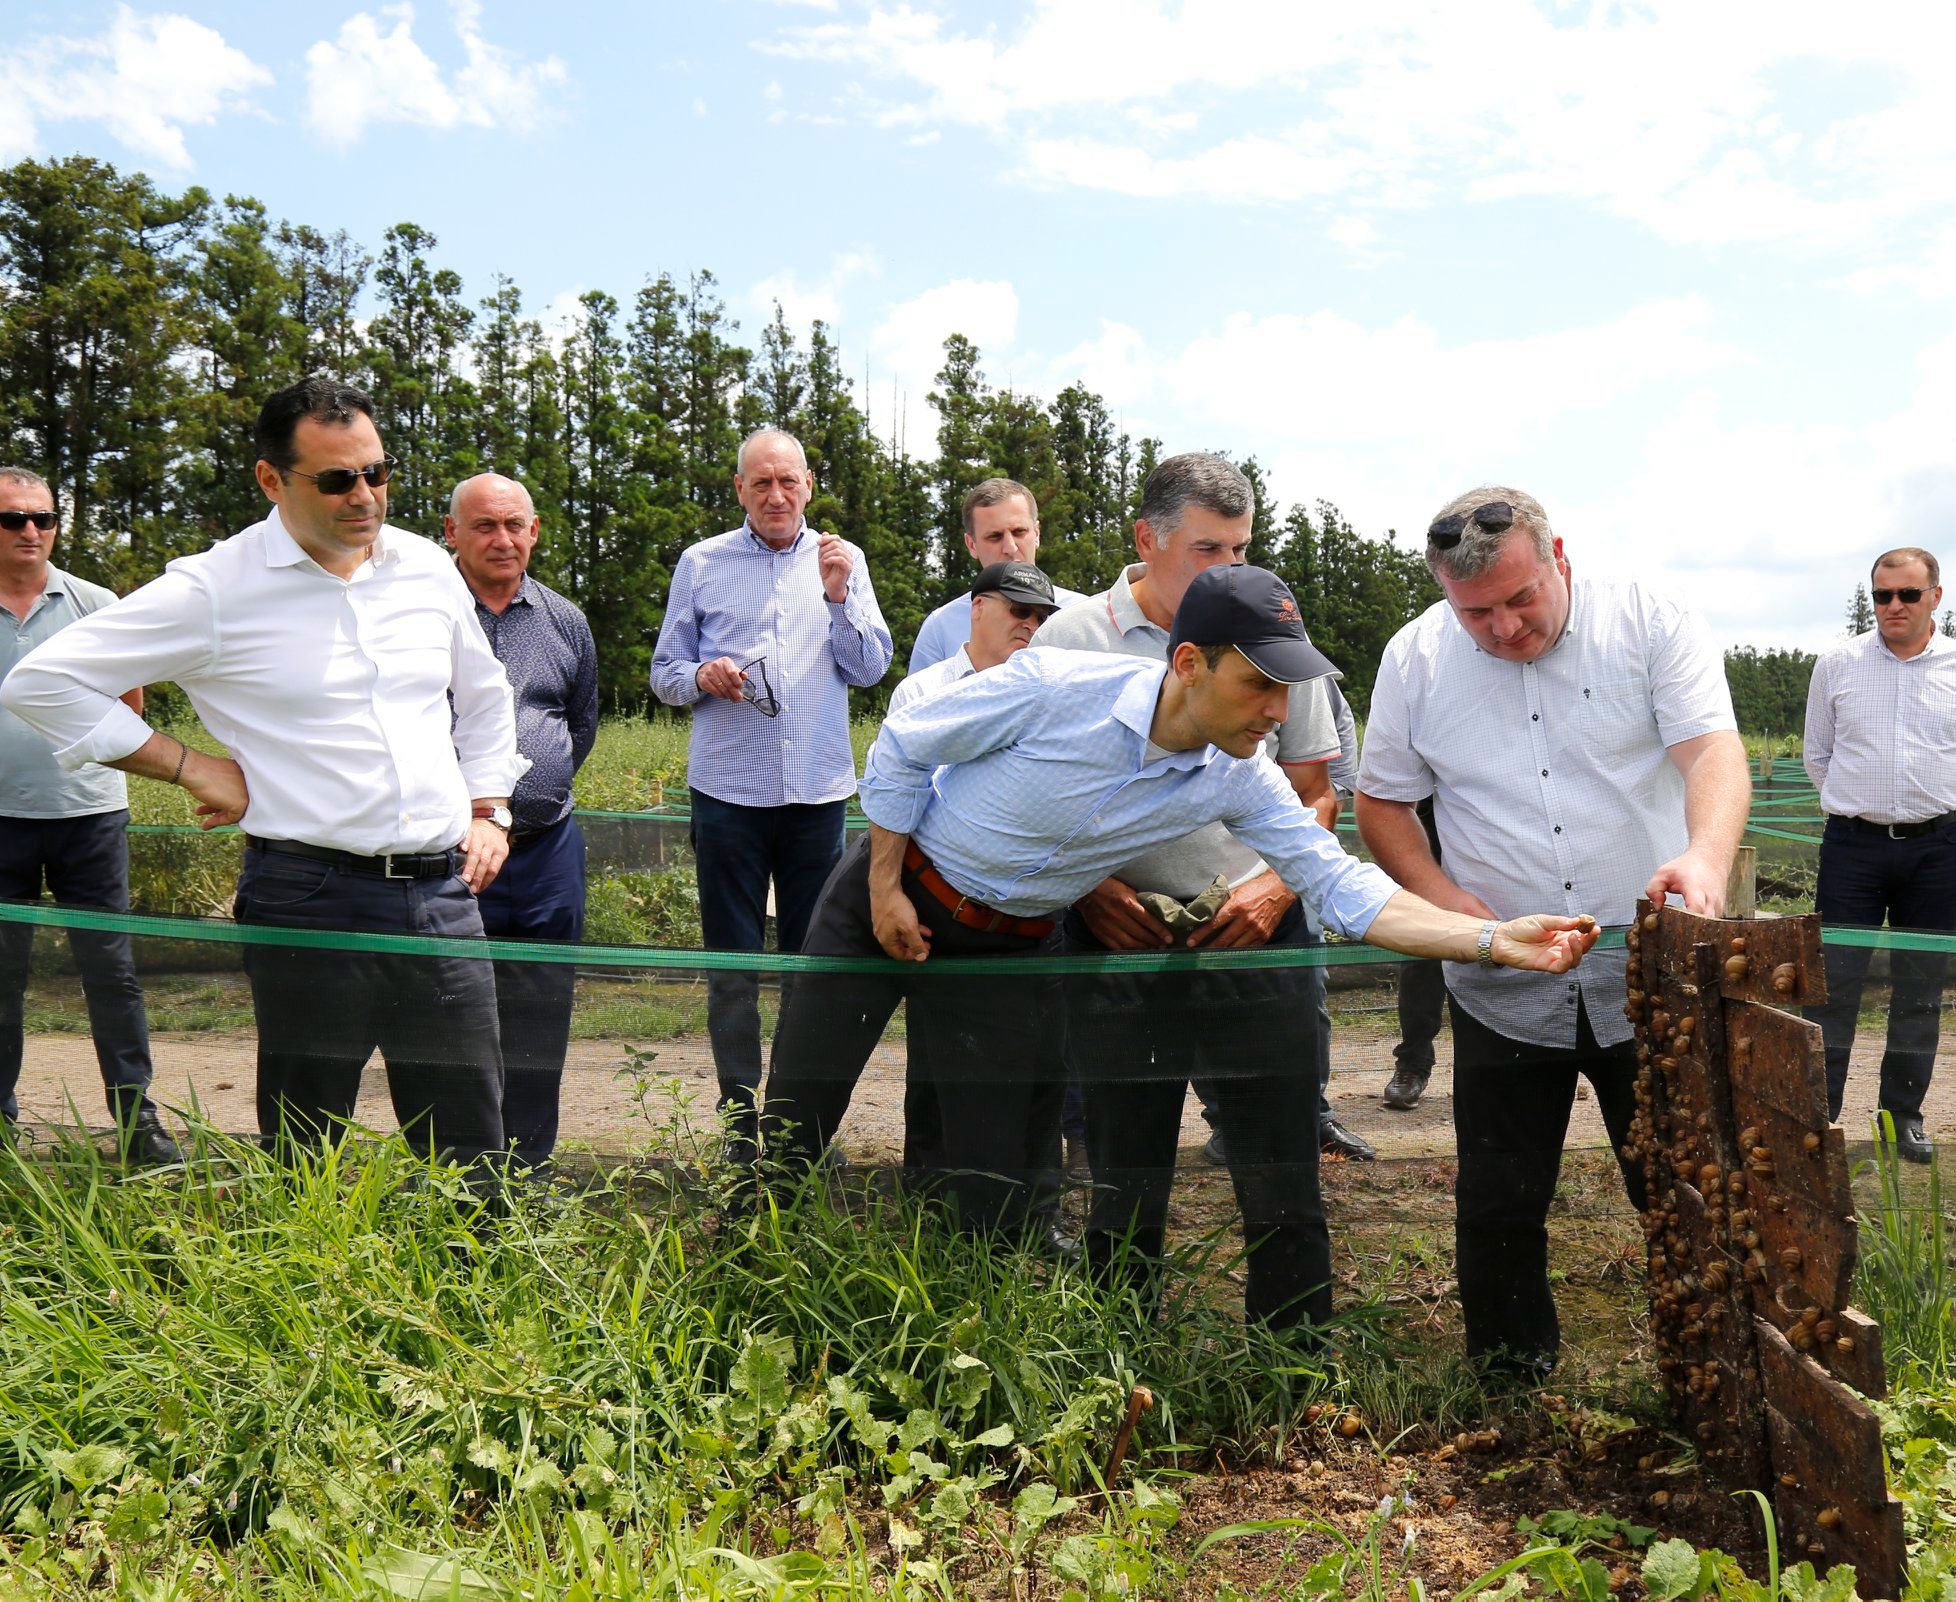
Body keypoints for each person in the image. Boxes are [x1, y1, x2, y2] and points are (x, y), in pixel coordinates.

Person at [762, 562, 1602, 1315]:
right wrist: (883, 887)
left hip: (1006, 946)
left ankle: (949, 1340)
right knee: (799, 1111)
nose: (1277, 712)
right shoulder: (1054, 685)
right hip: (890, 890)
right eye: (1259, 684)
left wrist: (1492, 939)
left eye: (1288, 689)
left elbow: (1343, 886)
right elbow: (905, 743)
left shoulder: (1240, 778)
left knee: (986, 1172)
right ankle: (749, 1292)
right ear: (1190, 663)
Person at [2, 379, 526, 1171]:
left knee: (470, 1142)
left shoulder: (423, 566)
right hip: (309, 895)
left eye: (377, 473)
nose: (365, 496)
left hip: (441, 895)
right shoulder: (216, 589)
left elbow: (484, 696)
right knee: (305, 1147)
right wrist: (188, 767)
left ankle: (471, 1255)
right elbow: (42, 683)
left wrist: (490, 807)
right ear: (271, 480)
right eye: (337, 479)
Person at [1356, 486, 1749, 1379]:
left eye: (1520, 599)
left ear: (1558, 555)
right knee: (1500, 1192)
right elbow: (1381, 801)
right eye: (1475, 614)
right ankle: (1509, 1375)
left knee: (1681, 1183)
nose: (1502, 628)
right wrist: (1440, 898)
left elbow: (1711, 751)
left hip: (1650, 972)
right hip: (1503, 977)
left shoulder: (1648, 619)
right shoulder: (1415, 658)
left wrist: (1704, 856)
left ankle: (1708, 1365)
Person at [1033, 454, 1360, 1321]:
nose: (1228, 569)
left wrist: (1276, 887)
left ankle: (1295, 1364)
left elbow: (1316, 789)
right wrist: (1089, 889)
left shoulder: (1272, 632)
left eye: (1241, 549)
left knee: (1282, 1168)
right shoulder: (1070, 641)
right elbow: (1031, 793)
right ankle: (1120, 1359)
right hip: (1121, 939)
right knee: (1122, 1173)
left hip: (1256, 934)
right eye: (1207, 549)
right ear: (1147, 539)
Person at [649, 429, 893, 1157]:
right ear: (740, 491)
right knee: (733, 967)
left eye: (789, 481)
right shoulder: (702, 563)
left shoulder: (843, 560)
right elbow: (664, 674)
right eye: (762, 483)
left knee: (809, 968)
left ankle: (791, 1125)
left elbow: (870, 669)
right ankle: (737, 1124)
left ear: (809, 485)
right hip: (728, 796)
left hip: (817, 797)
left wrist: (839, 597)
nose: (777, 496)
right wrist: (702, 676)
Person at [0, 467, 176, 1164]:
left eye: (43, 518)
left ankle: (138, 1125)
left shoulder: (96, 604)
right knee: (1, 976)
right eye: (12, 519)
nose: (31, 531)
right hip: (0, 822)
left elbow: (130, 708)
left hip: (90, 817)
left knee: (111, 973)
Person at [888, 561, 1062, 1200]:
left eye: (1039, 616)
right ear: (978, 607)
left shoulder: (1054, 695)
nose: (1029, 624)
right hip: (939, 899)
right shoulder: (924, 692)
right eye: (1018, 609)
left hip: (1031, 905)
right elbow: (899, 797)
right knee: (936, 1056)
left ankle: (1037, 1213)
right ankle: (929, 1203)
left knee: (1043, 1060)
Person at [445, 472, 598, 1167]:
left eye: (514, 525)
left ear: (534, 532)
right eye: (484, 525)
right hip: (448, 855)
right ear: (452, 533)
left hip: (546, 851)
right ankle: (459, 1171)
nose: (502, 539)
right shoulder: (425, 614)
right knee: (452, 1010)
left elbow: (579, 725)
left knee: (541, 1013)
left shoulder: (565, 620)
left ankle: (528, 1169)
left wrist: (532, 795)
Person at [1802, 548, 1955, 1165]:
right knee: (1832, 985)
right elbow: (1818, 755)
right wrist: (1858, 809)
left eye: (1908, 594)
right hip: (1854, 849)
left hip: (1939, 850)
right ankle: (1818, 1117)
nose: (1894, 606)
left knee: (1921, 986)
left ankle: (1902, 1117)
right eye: (1882, 596)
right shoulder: (1838, 664)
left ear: (1935, 597)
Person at [906, 479, 1085, 673]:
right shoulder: (941, 627)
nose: (1010, 547)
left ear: (1037, 534)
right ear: (971, 545)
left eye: (1019, 532)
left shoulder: (1084, 615)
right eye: (995, 537)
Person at [1382, 797, 1446, 1112]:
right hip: (1426, 823)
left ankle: (1509, 1061)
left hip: (1496, 835)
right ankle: (1412, 1063)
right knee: (1422, 957)